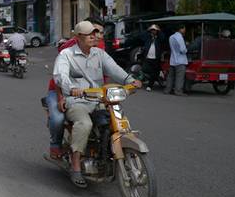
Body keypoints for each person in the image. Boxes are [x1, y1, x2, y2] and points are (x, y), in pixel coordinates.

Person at [53, 20, 141, 188]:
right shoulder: (66, 55)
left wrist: (130, 80)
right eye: (89, 34)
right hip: (78, 101)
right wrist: (71, 88)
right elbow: (60, 76)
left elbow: (114, 69)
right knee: (84, 123)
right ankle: (76, 165)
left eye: (95, 33)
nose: (94, 37)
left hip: (100, 99)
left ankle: (110, 153)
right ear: (78, 37)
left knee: (118, 122)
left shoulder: (99, 54)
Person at [46, 17, 105, 160]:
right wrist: (62, 98)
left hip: (90, 92)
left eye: (100, 32)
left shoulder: (100, 47)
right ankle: (55, 145)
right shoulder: (69, 49)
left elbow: (103, 73)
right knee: (58, 118)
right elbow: (61, 78)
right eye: (93, 31)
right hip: (62, 90)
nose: (96, 35)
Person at [165, 24, 188, 96]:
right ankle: (178, 91)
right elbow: (183, 50)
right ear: (180, 29)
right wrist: (186, 49)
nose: (185, 30)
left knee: (170, 76)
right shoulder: (180, 37)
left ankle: (167, 90)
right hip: (180, 60)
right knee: (179, 77)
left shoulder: (171, 37)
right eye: (184, 28)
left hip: (173, 60)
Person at [140, 24, 164, 91]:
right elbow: (141, 36)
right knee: (144, 69)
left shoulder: (159, 38)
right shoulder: (148, 37)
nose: (153, 31)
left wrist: (159, 30)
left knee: (153, 73)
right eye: (152, 30)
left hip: (156, 58)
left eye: (155, 30)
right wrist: (148, 30)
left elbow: (163, 37)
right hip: (147, 58)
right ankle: (158, 73)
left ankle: (149, 86)